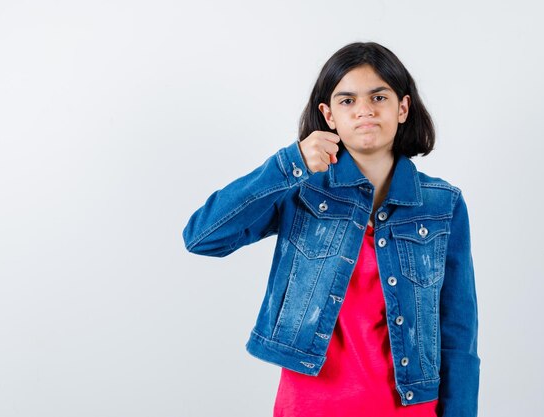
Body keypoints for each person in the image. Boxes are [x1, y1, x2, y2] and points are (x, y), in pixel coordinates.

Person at [182, 41, 480, 417]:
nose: (364, 111)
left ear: (402, 108)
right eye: (347, 101)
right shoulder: (300, 189)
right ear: (328, 115)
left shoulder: (443, 204)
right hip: (311, 406)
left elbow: (458, 331)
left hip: (409, 409)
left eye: (378, 97)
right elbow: (203, 237)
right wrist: (290, 163)